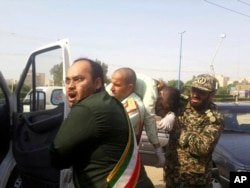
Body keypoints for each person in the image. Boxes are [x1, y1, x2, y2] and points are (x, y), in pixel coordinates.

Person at [50, 58, 150, 188]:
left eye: (79, 79)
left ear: (97, 83)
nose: (70, 85)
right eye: (67, 80)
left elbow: (57, 157)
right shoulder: (112, 102)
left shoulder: (87, 108)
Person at [164, 74, 224, 188]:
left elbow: (203, 148)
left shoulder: (214, 118)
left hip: (194, 180)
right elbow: (160, 97)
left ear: (212, 95)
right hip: (172, 172)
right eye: (194, 90)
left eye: (201, 92)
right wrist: (169, 113)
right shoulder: (181, 103)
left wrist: (177, 131)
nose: (195, 95)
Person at [110, 68, 165, 167]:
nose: (111, 88)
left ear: (131, 87)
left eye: (116, 85)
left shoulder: (135, 106)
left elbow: (149, 119)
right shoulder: (118, 84)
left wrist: (157, 149)